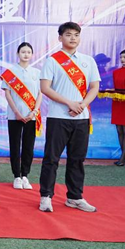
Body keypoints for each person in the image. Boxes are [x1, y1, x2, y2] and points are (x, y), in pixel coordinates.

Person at [39, 22, 100, 213]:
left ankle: (75, 197)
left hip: (81, 118)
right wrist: (69, 103)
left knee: (77, 159)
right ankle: (46, 196)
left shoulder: (88, 61)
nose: (72, 38)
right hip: (58, 117)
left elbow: (94, 87)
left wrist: (81, 105)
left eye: (76, 34)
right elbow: (45, 88)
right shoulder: (52, 61)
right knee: (51, 158)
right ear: (60, 38)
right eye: (68, 34)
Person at [1, 42, 42, 190]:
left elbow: (40, 94)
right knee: (15, 145)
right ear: (18, 54)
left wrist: (34, 111)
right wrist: (17, 112)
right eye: (23, 52)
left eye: (28, 52)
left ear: (32, 55)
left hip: (31, 115)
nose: (26, 54)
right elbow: (7, 94)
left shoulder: (37, 73)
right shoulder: (10, 73)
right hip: (14, 116)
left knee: (28, 146)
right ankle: (16, 176)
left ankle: (25, 175)